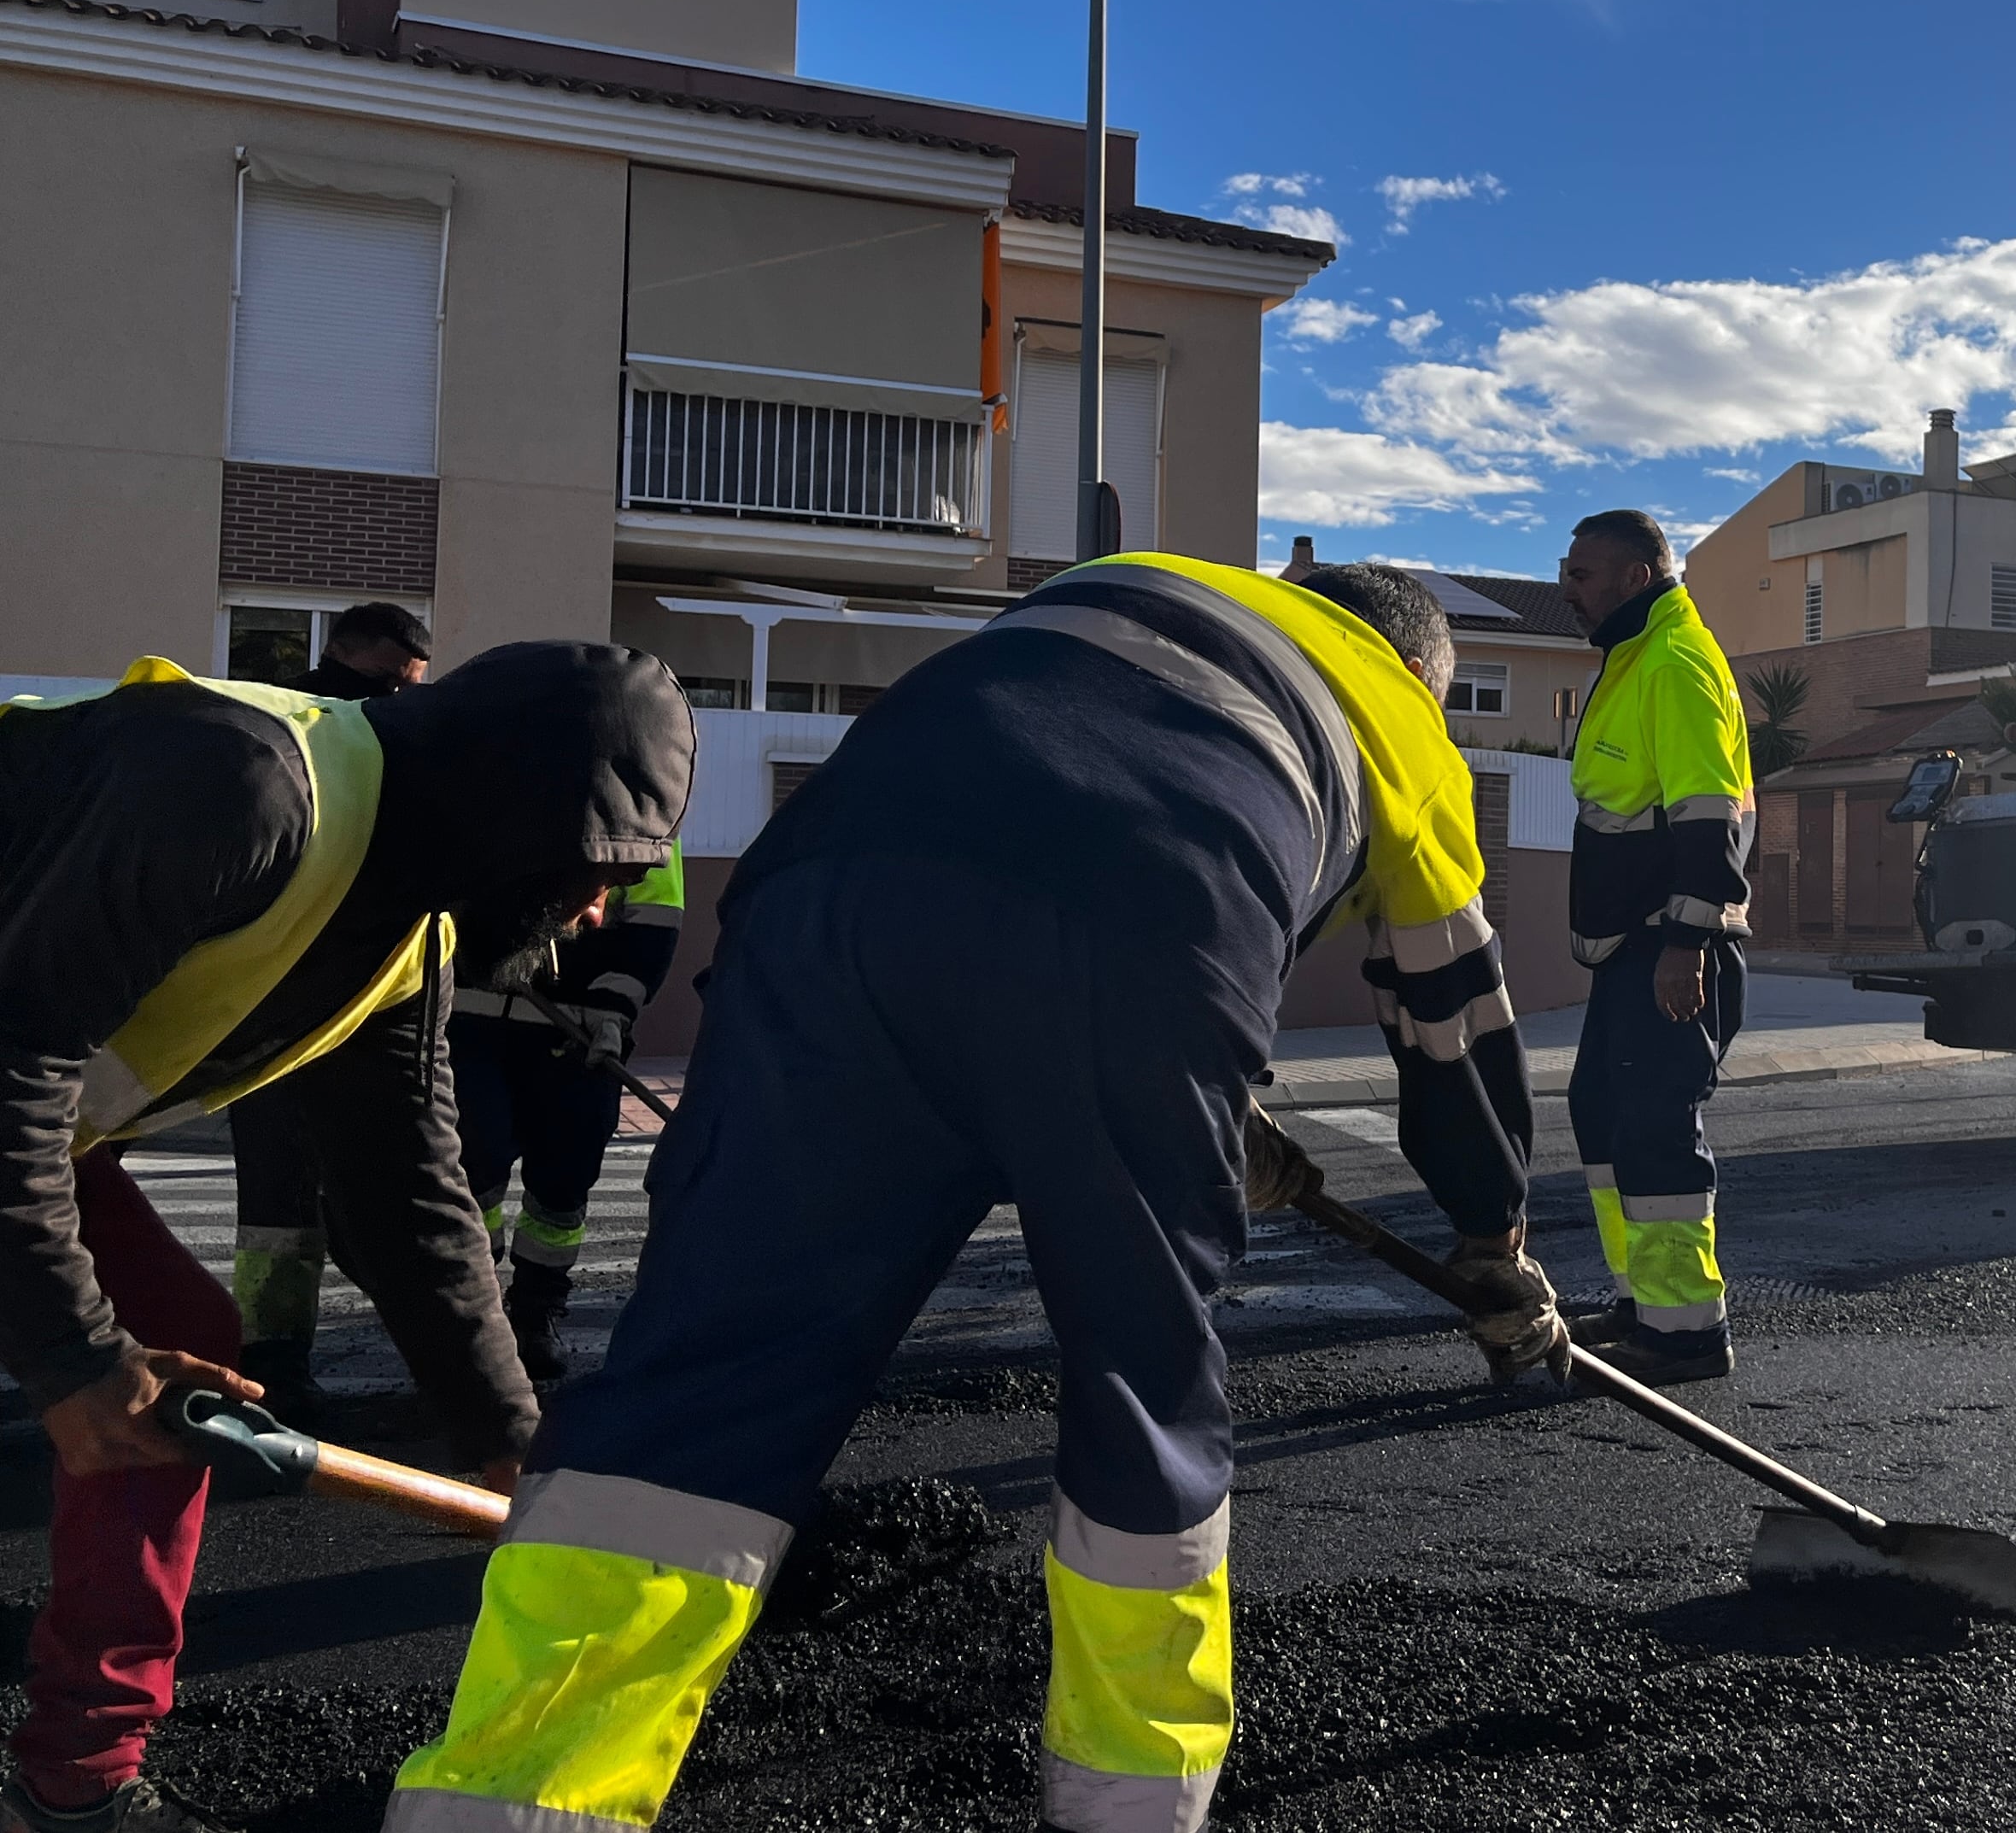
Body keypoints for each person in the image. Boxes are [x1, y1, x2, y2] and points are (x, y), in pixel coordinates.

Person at [388, 555, 1562, 1833]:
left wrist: (1209, 1091)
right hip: (1141, 930)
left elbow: (1022, 803)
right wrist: (1492, 1236)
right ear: (1424, 679)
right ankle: (1125, 1804)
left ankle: (508, 1801)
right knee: (1140, 1369)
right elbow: (1451, 1029)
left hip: (820, 909)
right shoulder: (1398, 726)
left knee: (708, 1368)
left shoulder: (1120, 582)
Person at [0, 642, 691, 1833]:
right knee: (112, 1356)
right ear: (508, 819)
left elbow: (404, 1200)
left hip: (37, 1119)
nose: (593, 911)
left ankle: (78, 1778)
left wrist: (506, 1438)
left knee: (174, 1344)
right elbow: (9, 1059)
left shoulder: (399, 935)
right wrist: (70, 1360)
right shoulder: (244, 786)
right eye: (592, 870)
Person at [1553, 508, 1755, 1384]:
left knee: (1656, 1128)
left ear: (1638, 578)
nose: (1571, 588)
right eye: (1567, 570)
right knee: (1603, 1113)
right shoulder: (1636, 658)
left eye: (1586, 573)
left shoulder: (1670, 664)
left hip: (1668, 950)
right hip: (1634, 951)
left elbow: (1709, 812)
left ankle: (1687, 1334)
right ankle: (1646, 1302)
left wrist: (1688, 942)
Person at [225, 600, 437, 1422]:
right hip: (308, 1005)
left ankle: (278, 1358)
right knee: (327, 1194)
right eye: (387, 676)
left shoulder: (279, 725)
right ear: (350, 651)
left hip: (298, 1005)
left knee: (288, 1199)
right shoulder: (338, 733)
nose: (391, 694)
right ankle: (291, 1358)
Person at [454, 840, 686, 1380]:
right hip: (472, 1019)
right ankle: (477, 1314)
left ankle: (536, 1313)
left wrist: (615, 1009)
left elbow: (656, 919)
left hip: (578, 1031)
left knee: (563, 1182)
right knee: (471, 1160)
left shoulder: (649, 811)